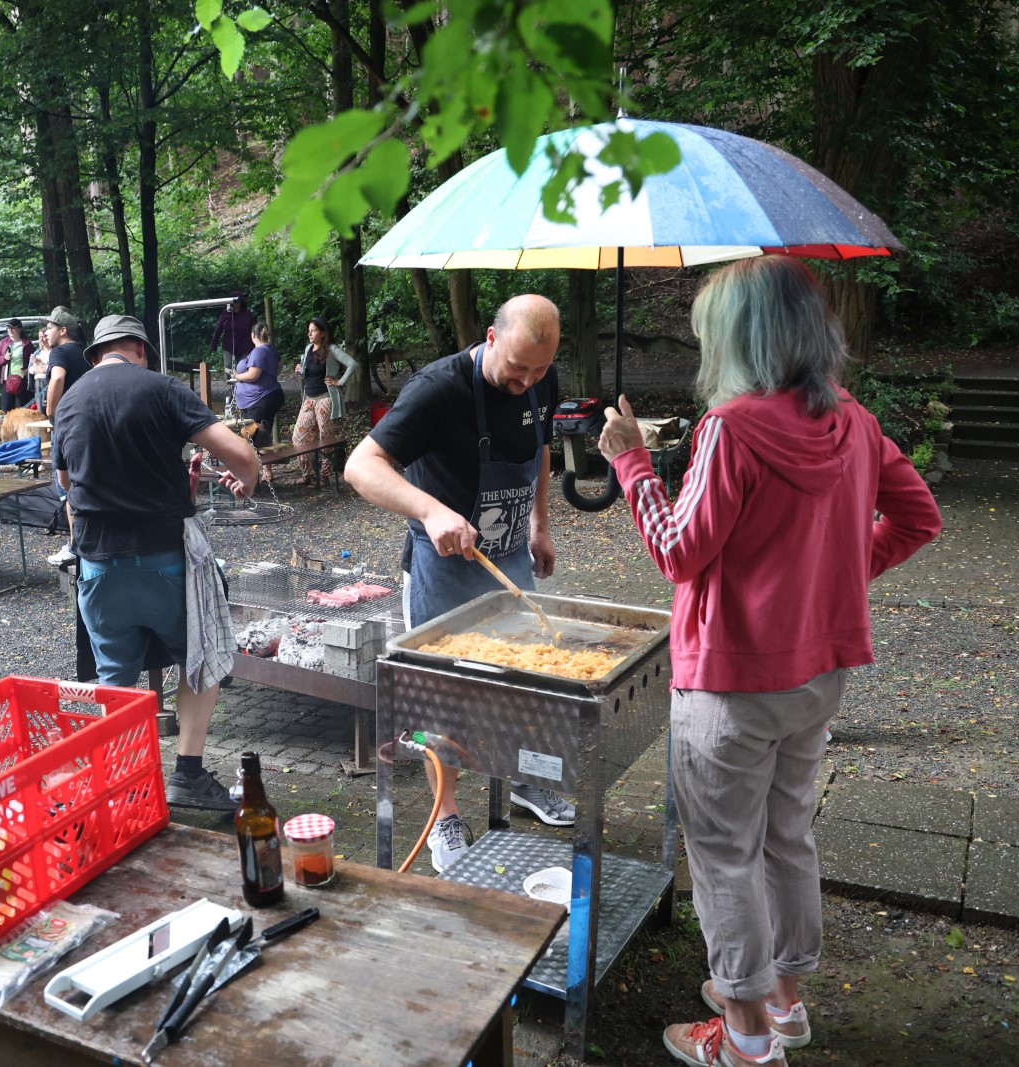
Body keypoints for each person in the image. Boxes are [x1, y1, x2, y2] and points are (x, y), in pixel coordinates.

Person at [594, 257, 941, 1067]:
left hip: (730, 684)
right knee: (786, 836)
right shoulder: (854, 420)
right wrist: (834, 578)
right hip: (818, 675)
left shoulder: (731, 428)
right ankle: (785, 999)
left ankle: (746, 1034)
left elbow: (679, 551)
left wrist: (630, 461)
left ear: (742, 339)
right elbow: (917, 517)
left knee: (723, 854)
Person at [343, 294, 571, 872]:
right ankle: (445, 815)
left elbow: (541, 450)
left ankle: (524, 780)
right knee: (441, 700)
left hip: (509, 560)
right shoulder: (437, 390)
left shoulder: (542, 379)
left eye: (539, 370)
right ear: (490, 338)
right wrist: (429, 510)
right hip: (442, 569)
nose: (527, 382)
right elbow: (361, 466)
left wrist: (540, 525)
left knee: (523, 681)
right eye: (517, 368)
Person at [50, 314, 262, 811]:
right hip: (166, 565)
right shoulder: (163, 389)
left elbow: (66, 483)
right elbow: (242, 456)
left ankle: (122, 788)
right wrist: (247, 481)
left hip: (98, 567)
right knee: (200, 659)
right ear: (141, 350)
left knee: (115, 681)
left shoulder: (70, 401)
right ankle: (187, 774)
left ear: (95, 356)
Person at [290, 318, 358, 487]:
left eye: (313, 331)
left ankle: (325, 477)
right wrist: (300, 370)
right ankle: (308, 475)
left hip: (325, 399)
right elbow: (308, 373)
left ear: (322, 333)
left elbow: (352, 364)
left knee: (325, 439)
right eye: (309, 331)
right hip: (309, 399)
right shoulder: (308, 349)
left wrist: (340, 382)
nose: (309, 334)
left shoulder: (332, 349)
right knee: (298, 437)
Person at [230, 321, 284, 448]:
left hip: (260, 399)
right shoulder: (271, 349)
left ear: (253, 335)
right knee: (261, 438)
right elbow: (280, 366)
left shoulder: (258, 351)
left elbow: (253, 375)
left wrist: (236, 376)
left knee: (255, 439)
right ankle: (265, 462)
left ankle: (259, 461)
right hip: (262, 398)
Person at [42, 306, 90, 416]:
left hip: (69, 415)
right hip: (89, 412)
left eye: (49, 328)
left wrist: (50, 412)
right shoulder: (88, 351)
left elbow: (58, 378)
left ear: (63, 331)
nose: (45, 333)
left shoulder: (59, 351)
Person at [0, 319, 35, 411]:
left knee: (22, 410)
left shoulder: (27, 343)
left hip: (22, 380)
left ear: (19, 329)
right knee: (6, 409)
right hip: (7, 380)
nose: (10, 330)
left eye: (13, 328)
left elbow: (33, 360)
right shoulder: (3, 342)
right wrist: (4, 358)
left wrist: (28, 369)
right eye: (8, 328)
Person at [210, 291, 256, 367]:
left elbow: (255, 329)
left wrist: (257, 344)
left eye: (238, 302)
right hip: (229, 346)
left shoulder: (248, 314)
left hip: (245, 346)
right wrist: (214, 344)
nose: (237, 304)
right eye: (235, 302)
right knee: (228, 365)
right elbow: (218, 329)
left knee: (242, 367)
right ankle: (229, 375)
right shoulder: (225, 313)